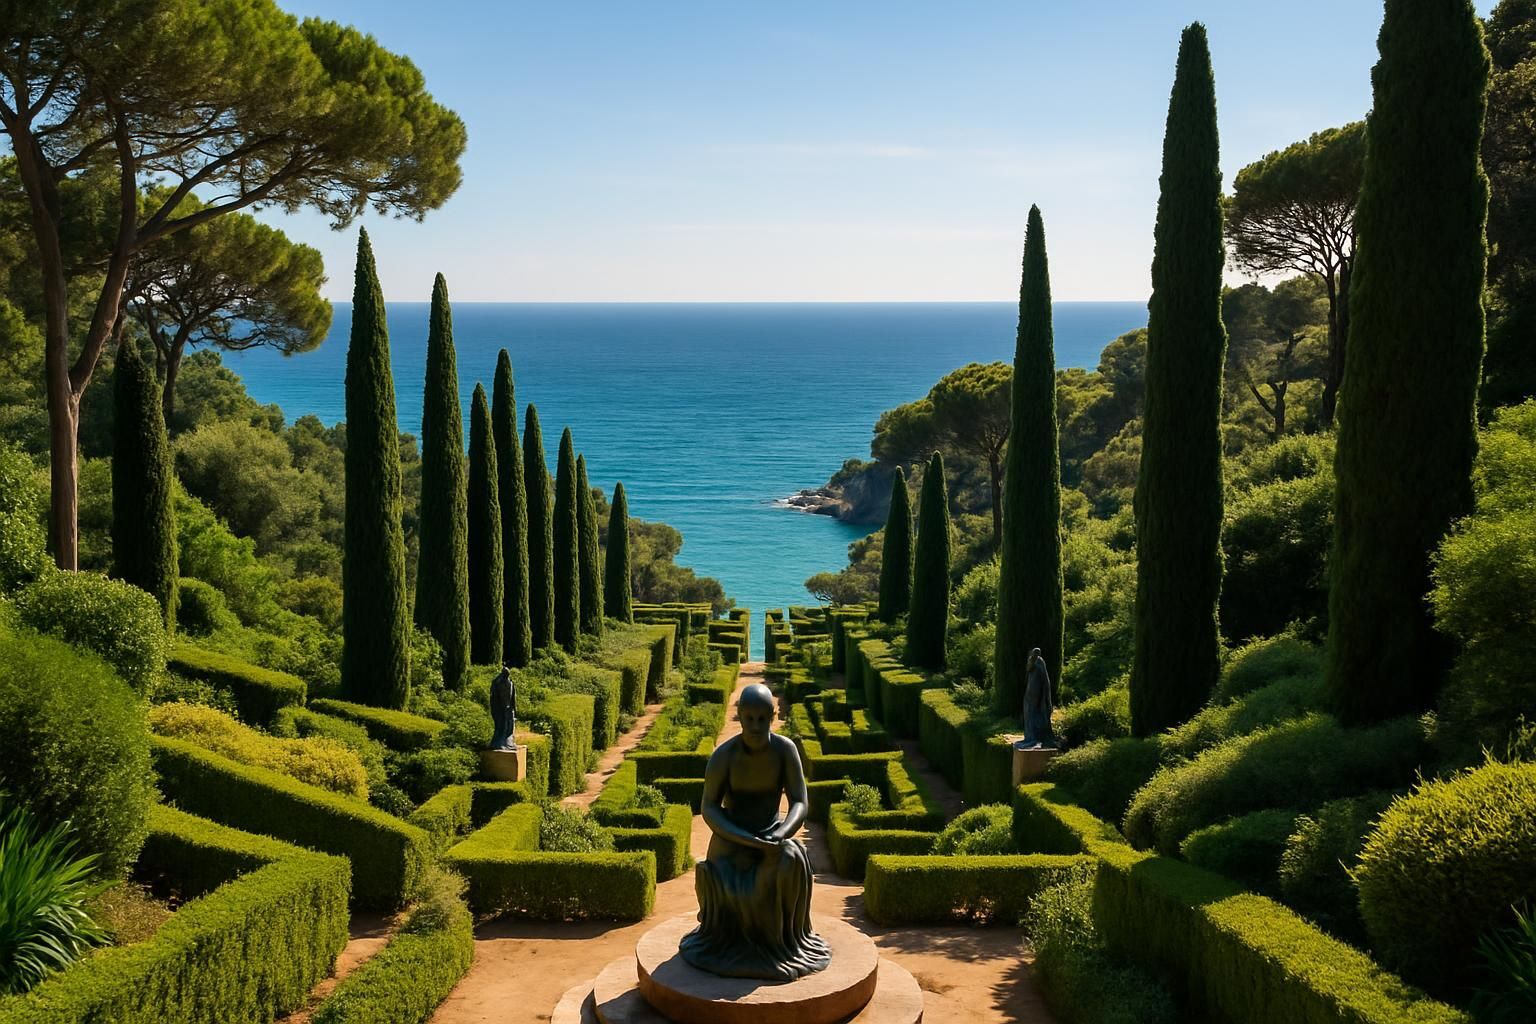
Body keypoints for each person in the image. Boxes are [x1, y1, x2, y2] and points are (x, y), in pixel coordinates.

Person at [680, 683, 832, 981]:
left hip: (773, 834)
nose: (756, 726)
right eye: (749, 718)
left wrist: (782, 833)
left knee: (792, 859)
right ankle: (734, 941)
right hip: (731, 840)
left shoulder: (785, 750)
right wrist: (743, 838)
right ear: (739, 717)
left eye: (762, 719)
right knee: (729, 881)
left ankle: (783, 944)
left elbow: (800, 801)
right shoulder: (724, 756)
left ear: (772, 718)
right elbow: (709, 808)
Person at [1021, 647, 1055, 749]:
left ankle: (1034, 737)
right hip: (1029, 693)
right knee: (1028, 714)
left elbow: (1045, 678)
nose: (1036, 655)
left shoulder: (1040, 662)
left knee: (1035, 714)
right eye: (1035, 653)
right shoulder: (1031, 660)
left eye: (1037, 653)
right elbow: (1028, 669)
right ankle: (1030, 737)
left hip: (1038, 694)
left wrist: (1046, 697)